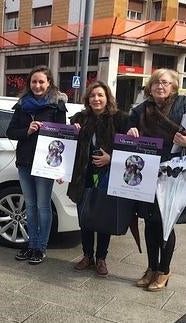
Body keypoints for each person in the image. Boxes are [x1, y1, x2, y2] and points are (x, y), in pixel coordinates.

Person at [127, 68, 186, 291]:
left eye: (164, 83)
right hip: (146, 172)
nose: (159, 86)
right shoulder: (140, 110)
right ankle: (151, 268)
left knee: (165, 222)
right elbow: (126, 129)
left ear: (174, 86)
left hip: (174, 174)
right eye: (155, 83)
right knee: (148, 221)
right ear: (150, 88)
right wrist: (130, 132)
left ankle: (164, 270)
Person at [66, 81, 129, 277]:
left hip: (108, 175)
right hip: (83, 175)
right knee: (85, 217)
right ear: (88, 99)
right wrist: (73, 131)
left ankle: (101, 258)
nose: (96, 99)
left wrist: (111, 159)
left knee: (104, 218)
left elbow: (131, 150)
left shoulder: (120, 119)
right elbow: (67, 147)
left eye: (100, 95)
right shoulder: (79, 119)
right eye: (93, 96)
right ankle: (87, 256)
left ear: (107, 97)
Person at [6, 65, 67, 265]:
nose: (38, 85)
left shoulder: (56, 106)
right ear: (29, 83)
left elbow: (62, 138)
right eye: (34, 81)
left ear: (49, 83)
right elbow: (11, 132)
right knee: (30, 206)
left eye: (41, 82)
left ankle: (41, 247)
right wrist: (27, 131)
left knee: (43, 206)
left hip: (45, 165)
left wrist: (60, 168)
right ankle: (31, 244)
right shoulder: (22, 105)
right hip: (24, 162)